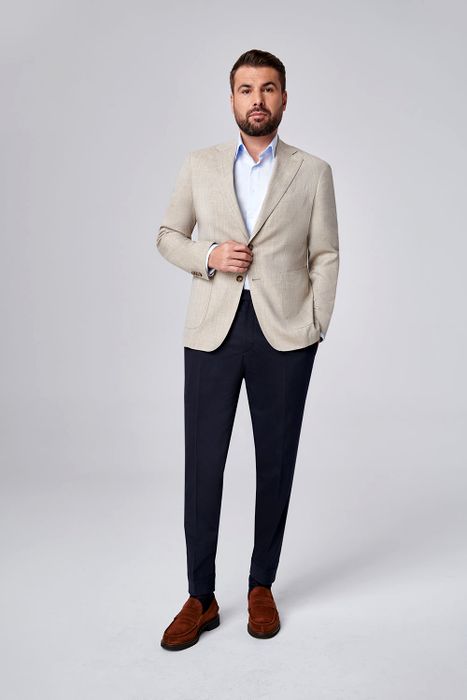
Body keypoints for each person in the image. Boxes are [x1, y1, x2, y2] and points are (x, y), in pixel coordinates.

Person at [156, 48, 339, 651]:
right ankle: (200, 596)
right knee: (202, 466)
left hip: (285, 335)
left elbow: (325, 254)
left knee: (275, 462)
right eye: (245, 89)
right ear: (232, 98)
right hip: (213, 329)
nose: (256, 99)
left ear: (283, 97)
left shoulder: (313, 171)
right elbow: (168, 235)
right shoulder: (200, 165)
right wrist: (209, 256)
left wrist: (315, 323)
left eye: (267, 88)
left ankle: (262, 585)